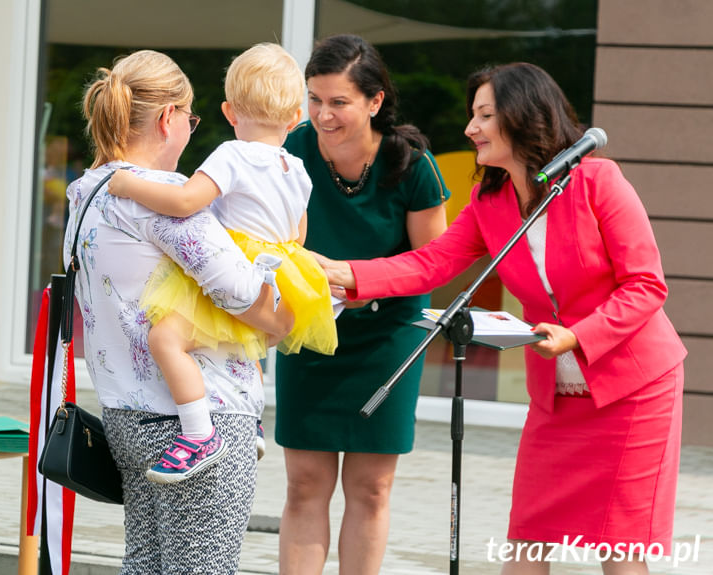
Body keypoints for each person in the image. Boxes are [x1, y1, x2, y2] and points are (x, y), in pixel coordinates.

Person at [317, 62, 686, 574]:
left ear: (524, 117)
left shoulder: (598, 180)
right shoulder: (490, 202)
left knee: (617, 546)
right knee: (527, 539)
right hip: (555, 400)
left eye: (485, 115)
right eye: (473, 115)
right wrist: (347, 273)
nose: (470, 129)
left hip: (633, 392)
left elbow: (647, 285)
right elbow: (432, 262)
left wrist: (578, 337)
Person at [64, 49, 293, 574]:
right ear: (169, 118)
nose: (191, 131)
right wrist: (285, 319)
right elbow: (242, 293)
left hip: (125, 413)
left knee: (144, 565)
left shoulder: (87, 191)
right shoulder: (164, 194)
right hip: (201, 422)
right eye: (190, 119)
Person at [107, 42, 337, 484]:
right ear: (295, 119)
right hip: (282, 272)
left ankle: (198, 435)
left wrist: (128, 185)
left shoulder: (232, 155)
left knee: (165, 340)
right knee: (246, 343)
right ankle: (251, 418)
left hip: (235, 264)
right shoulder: (299, 169)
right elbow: (298, 234)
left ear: (230, 112)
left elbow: (184, 202)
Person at [273, 34, 450, 574]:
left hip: (389, 337)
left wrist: (357, 281)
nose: (322, 115)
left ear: (374, 102)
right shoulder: (291, 150)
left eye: (338, 102)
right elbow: (265, 240)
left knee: (371, 488)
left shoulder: (413, 164)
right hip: (309, 329)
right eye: (314, 99)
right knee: (305, 483)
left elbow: (433, 262)